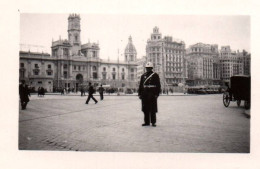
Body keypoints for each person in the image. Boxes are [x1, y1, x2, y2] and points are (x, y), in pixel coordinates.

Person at [138, 62, 161, 127]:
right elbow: (140, 85)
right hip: (145, 93)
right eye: (147, 68)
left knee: (152, 108)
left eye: (149, 68)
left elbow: (158, 85)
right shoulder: (143, 75)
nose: (148, 69)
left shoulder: (155, 75)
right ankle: (146, 122)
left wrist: (157, 94)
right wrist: (139, 94)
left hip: (152, 93)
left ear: (151, 68)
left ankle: (153, 122)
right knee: (145, 108)